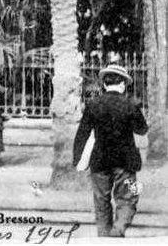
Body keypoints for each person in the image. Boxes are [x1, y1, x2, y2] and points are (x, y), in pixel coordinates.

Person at [73, 65, 148, 237]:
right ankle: (118, 229)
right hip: (125, 161)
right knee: (128, 197)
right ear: (122, 83)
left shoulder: (93, 105)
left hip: (100, 160)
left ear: (105, 85)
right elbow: (142, 129)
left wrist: (77, 159)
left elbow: (82, 134)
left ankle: (104, 236)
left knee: (101, 200)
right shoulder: (131, 104)